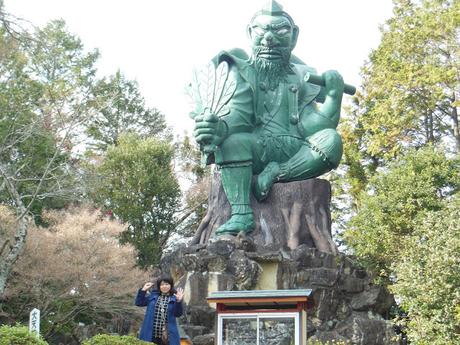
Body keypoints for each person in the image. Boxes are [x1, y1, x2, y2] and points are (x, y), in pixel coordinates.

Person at [192, 0, 345, 236]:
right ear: (249, 33)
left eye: (280, 30)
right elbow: (236, 119)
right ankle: (241, 214)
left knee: (332, 141)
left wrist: (334, 96)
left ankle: (279, 171)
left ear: (294, 36)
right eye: (262, 30)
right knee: (232, 143)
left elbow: (315, 129)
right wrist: (217, 129)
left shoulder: (303, 77)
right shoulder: (241, 72)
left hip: (295, 150)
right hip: (257, 146)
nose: (269, 39)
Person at [135, 275, 184, 344]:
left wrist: (179, 301)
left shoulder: (174, 298)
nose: (164, 286)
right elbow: (139, 303)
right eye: (162, 284)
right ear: (159, 286)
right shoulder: (153, 296)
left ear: (171, 285)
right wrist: (143, 290)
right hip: (150, 333)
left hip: (167, 335)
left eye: (167, 284)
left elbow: (178, 314)